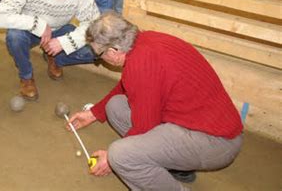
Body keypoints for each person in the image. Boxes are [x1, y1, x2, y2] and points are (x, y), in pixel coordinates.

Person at [68, 12, 244, 190]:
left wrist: (110, 160)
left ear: (114, 51)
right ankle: (175, 166)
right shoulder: (145, 41)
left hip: (215, 141)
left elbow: (144, 126)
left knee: (121, 155)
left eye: (99, 54)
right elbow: (129, 86)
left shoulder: (140, 64)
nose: (100, 59)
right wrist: (93, 113)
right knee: (115, 106)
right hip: (201, 126)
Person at [0, 0, 100, 101]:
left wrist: (65, 42)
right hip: (31, 32)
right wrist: (37, 24)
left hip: (61, 30)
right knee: (14, 36)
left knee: (94, 50)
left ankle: (53, 56)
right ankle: (26, 77)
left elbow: (94, 24)